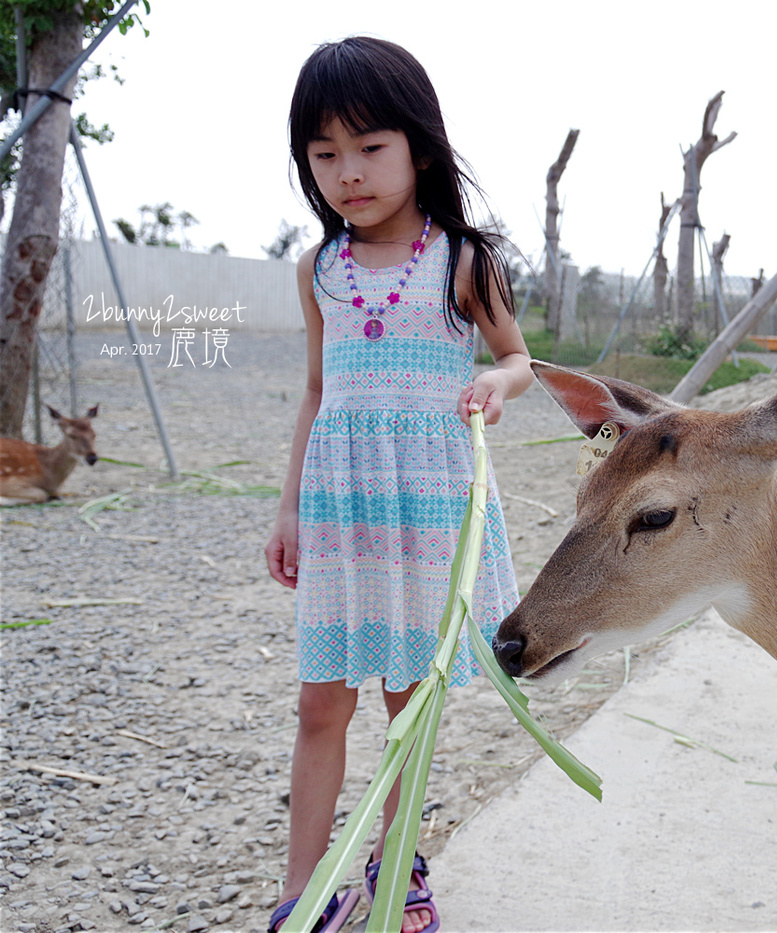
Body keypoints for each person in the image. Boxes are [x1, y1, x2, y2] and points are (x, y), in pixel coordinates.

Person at [264, 36, 532, 933]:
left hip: (428, 507)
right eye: (325, 154)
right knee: (319, 702)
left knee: (405, 707)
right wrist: (289, 506)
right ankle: (300, 897)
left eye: (369, 147)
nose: (349, 172)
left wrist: (498, 382)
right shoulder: (320, 269)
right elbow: (315, 390)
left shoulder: (462, 258)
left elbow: (517, 357)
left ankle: (393, 872)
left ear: (418, 145)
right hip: (343, 510)